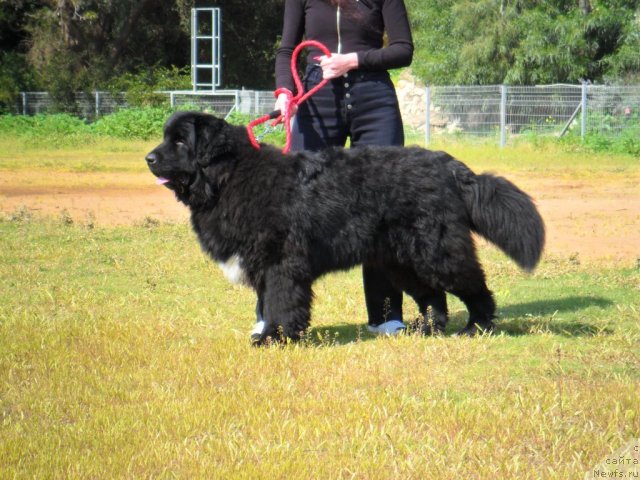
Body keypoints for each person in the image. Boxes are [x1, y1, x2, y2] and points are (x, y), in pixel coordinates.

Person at [251, 0, 414, 342]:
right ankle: (272, 316)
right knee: (291, 212)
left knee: (382, 206)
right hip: (317, 96)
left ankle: (385, 316)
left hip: (374, 97)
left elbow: (402, 50)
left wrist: (353, 60)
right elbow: (287, 51)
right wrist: (284, 92)